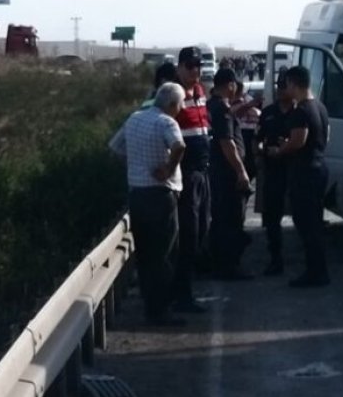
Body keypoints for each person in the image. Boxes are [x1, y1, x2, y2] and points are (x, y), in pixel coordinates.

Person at [108, 82, 188, 326]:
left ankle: (149, 304)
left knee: (144, 254)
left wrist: (135, 166)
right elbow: (179, 146)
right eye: (180, 104)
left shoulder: (134, 118)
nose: (181, 109)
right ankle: (160, 310)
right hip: (160, 197)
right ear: (172, 104)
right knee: (163, 255)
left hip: (137, 195)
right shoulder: (166, 122)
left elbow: (114, 147)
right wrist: (169, 168)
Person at [264, 65, 330, 288]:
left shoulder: (301, 110)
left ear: (294, 84)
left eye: (287, 84)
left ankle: (315, 272)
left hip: (305, 172)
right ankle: (318, 269)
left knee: (306, 223)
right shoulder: (320, 106)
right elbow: (324, 137)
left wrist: (279, 150)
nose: (286, 88)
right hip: (319, 166)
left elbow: (298, 140)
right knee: (314, 222)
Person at [173, 47, 212, 312]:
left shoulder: (199, 91)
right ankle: (181, 295)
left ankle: (187, 288)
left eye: (198, 65)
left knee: (200, 232)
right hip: (185, 174)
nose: (195, 70)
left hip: (202, 171)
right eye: (190, 65)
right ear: (179, 67)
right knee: (187, 236)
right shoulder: (172, 93)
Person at [207, 68, 254, 280]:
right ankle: (230, 266)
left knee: (219, 219)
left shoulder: (212, 106)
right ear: (231, 85)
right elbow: (227, 143)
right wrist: (241, 171)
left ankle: (218, 263)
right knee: (232, 220)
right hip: (228, 174)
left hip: (217, 171)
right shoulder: (223, 109)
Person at [256, 73, 295, 276]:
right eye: (278, 85)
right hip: (273, 170)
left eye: (284, 85)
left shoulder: (300, 112)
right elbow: (259, 138)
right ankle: (275, 259)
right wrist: (262, 148)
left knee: (302, 215)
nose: (280, 89)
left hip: (295, 171)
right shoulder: (269, 112)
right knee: (272, 218)